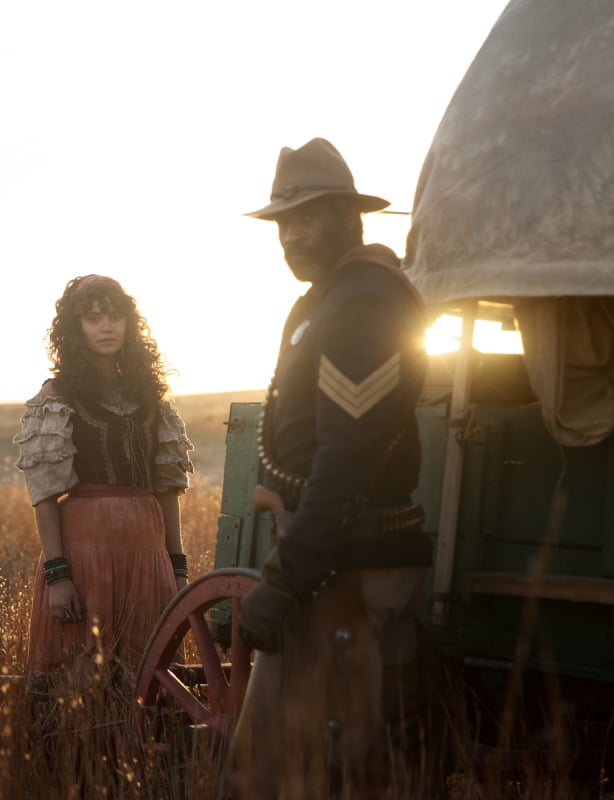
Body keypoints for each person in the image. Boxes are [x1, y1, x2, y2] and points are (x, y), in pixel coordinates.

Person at [229, 138, 432, 797]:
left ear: (350, 215)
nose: (290, 234)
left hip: (343, 568)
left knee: (305, 771)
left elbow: (346, 462)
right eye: (283, 222)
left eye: (307, 216)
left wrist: (285, 582)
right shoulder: (332, 297)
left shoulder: (365, 303)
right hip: (329, 560)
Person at [14, 274, 194, 696]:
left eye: (115, 317)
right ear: (75, 329)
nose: (106, 327)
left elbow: (168, 491)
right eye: (93, 318)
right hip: (85, 557)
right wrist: (58, 577)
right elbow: (43, 494)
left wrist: (177, 569)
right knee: (80, 684)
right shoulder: (58, 396)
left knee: (149, 679)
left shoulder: (151, 398)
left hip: (147, 556)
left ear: (130, 325)